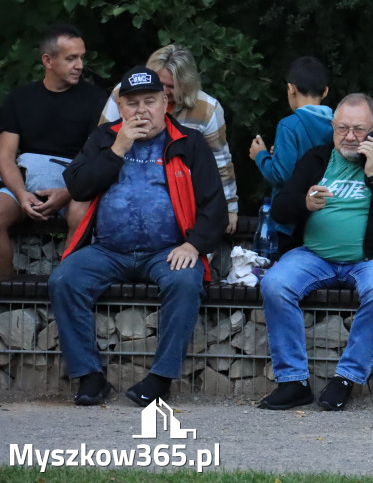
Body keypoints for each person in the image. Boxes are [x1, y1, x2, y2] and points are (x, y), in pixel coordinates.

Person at [48, 66, 227, 406]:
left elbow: (214, 205)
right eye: (132, 103)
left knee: (186, 282)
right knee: (64, 280)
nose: (141, 110)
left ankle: (160, 378)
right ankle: (89, 377)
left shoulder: (189, 143)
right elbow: (77, 185)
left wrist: (193, 244)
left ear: (165, 104)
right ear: (121, 106)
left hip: (167, 250)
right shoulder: (105, 138)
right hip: (107, 250)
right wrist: (117, 148)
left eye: (149, 101)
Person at [258, 93, 373, 411]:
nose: (351, 137)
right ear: (333, 127)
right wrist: (304, 202)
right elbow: (281, 209)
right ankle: (293, 381)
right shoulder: (316, 159)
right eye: (342, 128)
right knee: (274, 283)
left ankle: (345, 379)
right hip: (314, 255)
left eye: (359, 129)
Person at [0, 24, 107, 280]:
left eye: (81, 57)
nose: (80, 65)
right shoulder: (20, 98)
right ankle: (5, 298)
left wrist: (66, 193)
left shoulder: (96, 99)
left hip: (75, 183)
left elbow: (97, 158)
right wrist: (22, 195)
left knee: (82, 218)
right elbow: (5, 156)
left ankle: (67, 290)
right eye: (71, 58)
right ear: (48, 60)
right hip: (25, 182)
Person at [101, 45, 238, 234]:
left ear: (186, 84)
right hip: (123, 185)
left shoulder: (207, 109)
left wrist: (229, 207)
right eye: (159, 83)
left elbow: (220, 162)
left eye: (171, 87)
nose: (163, 92)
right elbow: (100, 142)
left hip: (184, 197)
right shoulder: (124, 94)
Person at [249, 56, 334, 249]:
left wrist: (261, 155)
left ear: (291, 88)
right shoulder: (338, 125)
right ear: (326, 91)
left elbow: (281, 175)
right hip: (326, 213)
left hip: (290, 223)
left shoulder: (289, 126)